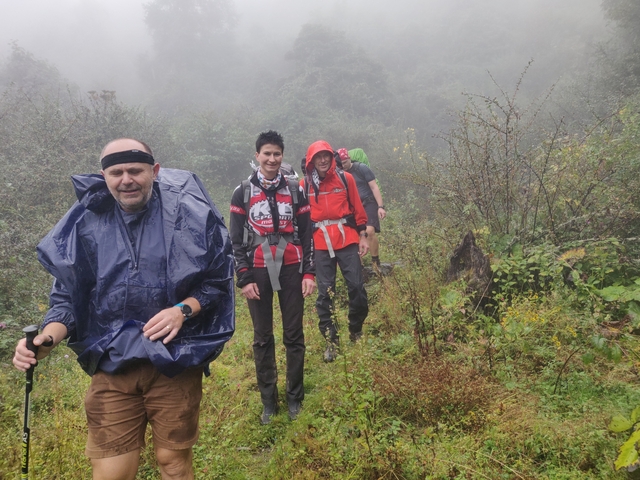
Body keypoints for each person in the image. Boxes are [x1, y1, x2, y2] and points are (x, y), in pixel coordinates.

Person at [13, 138, 235, 480]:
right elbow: (68, 300)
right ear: (104, 176)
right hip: (112, 363)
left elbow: (217, 282)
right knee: (111, 472)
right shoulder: (85, 224)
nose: (126, 179)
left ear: (154, 171)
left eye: (135, 170)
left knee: (173, 463)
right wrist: (46, 340)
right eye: (116, 172)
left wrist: (182, 311)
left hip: (174, 359)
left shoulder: (187, 217)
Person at [229, 130, 315, 424]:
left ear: (282, 156)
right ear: (257, 156)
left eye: (277, 154)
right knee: (262, 337)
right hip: (257, 269)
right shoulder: (242, 191)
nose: (272, 159)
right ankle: (269, 402)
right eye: (266, 153)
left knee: (294, 335)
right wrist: (243, 277)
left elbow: (307, 232)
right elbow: (235, 240)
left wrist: (310, 272)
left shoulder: (295, 189)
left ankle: (295, 399)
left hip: (291, 265)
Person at [303, 140, 369, 362]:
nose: (322, 160)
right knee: (325, 294)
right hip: (320, 243)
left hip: (347, 238)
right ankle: (331, 341)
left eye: (326, 156)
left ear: (332, 158)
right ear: (311, 161)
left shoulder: (345, 178)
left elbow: (358, 208)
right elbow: (301, 218)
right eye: (317, 157)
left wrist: (363, 235)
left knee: (357, 287)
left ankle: (355, 329)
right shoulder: (306, 185)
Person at [341, 148, 386, 268]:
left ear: (349, 158)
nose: (343, 165)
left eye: (345, 162)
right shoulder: (340, 173)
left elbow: (374, 187)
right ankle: (359, 267)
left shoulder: (361, 168)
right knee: (354, 235)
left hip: (368, 202)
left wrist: (380, 206)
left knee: (369, 231)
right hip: (353, 206)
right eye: (341, 163)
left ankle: (375, 262)